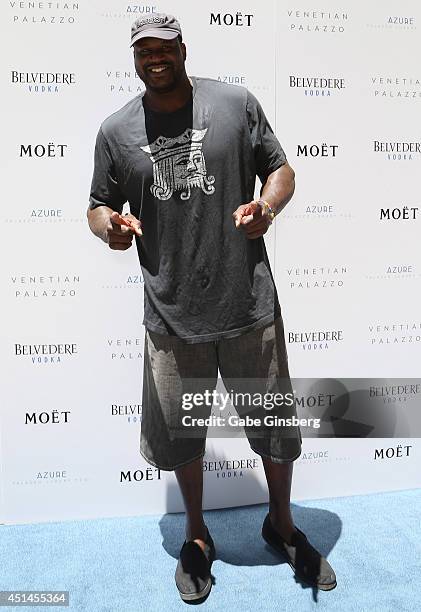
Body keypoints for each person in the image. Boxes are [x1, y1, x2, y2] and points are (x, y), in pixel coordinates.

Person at [87, 13, 337, 602]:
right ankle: (197, 538)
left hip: (249, 305)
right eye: (144, 49)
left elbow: (281, 169)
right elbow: (97, 204)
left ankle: (281, 524)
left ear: (182, 49)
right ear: (134, 55)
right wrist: (110, 230)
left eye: (164, 47)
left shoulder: (234, 103)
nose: (155, 57)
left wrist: (267, 208)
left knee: (274, 432)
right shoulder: (116, 130)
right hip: (171, 316)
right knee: (181, 436)